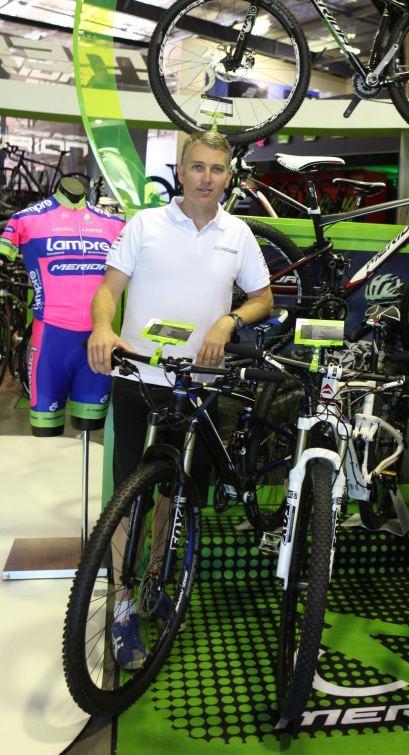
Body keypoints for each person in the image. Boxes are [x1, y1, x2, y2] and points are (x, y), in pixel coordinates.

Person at [87, 130, 273, 670]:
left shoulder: (237, 234)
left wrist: (230, 319)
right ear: (180, 169)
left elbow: (262, 297)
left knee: (172, 496)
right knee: (129, 497)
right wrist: (104, 328)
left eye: (217, 170)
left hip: (199, 387)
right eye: (197, 167)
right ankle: (121, 608)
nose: (206, 178)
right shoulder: (145, 224)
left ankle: (152, 584)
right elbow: (109, 289)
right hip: (142, 377)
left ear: (228, 177)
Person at [0, 175, 124, 435]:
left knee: (91, 431)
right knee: (45, 434)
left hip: (99, 342)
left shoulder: (113, 223)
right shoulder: (26, 218)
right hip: (50, 343)